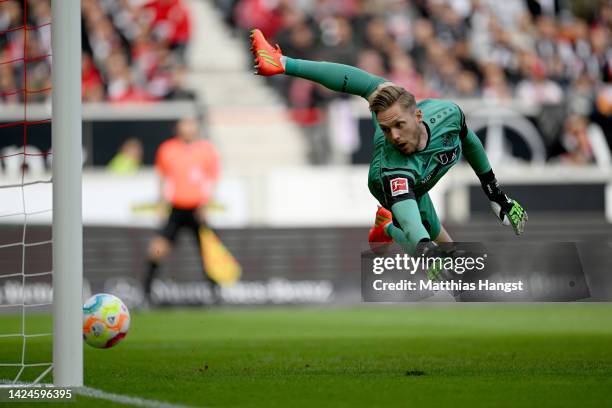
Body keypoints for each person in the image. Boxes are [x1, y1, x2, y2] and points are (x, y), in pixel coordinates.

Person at [249, 29, 527, 258]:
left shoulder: (448, 114)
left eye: (399, 125)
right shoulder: (393, 169)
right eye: (385, 128)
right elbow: (409, 218)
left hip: (419, 165)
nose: (393, 135)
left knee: (377, 86)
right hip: (399, 185)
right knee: (443, 253)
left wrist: (495, 193)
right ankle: (388, 226)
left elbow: (471, 142)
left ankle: (280, 62)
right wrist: (422, 246)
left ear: (418, 115)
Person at [144, 117, 220, 304]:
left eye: (191, 124)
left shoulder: (206, 150)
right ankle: (146, 291)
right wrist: (161, 203)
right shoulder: (168, 149)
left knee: (208, 251)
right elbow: (162, 177)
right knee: (158, 249)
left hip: (197, 208)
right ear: (178, 128)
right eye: (185, 124)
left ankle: (215, 292)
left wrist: (206, 204)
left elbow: (212, 179)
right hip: (176, 208)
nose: (188, 128)